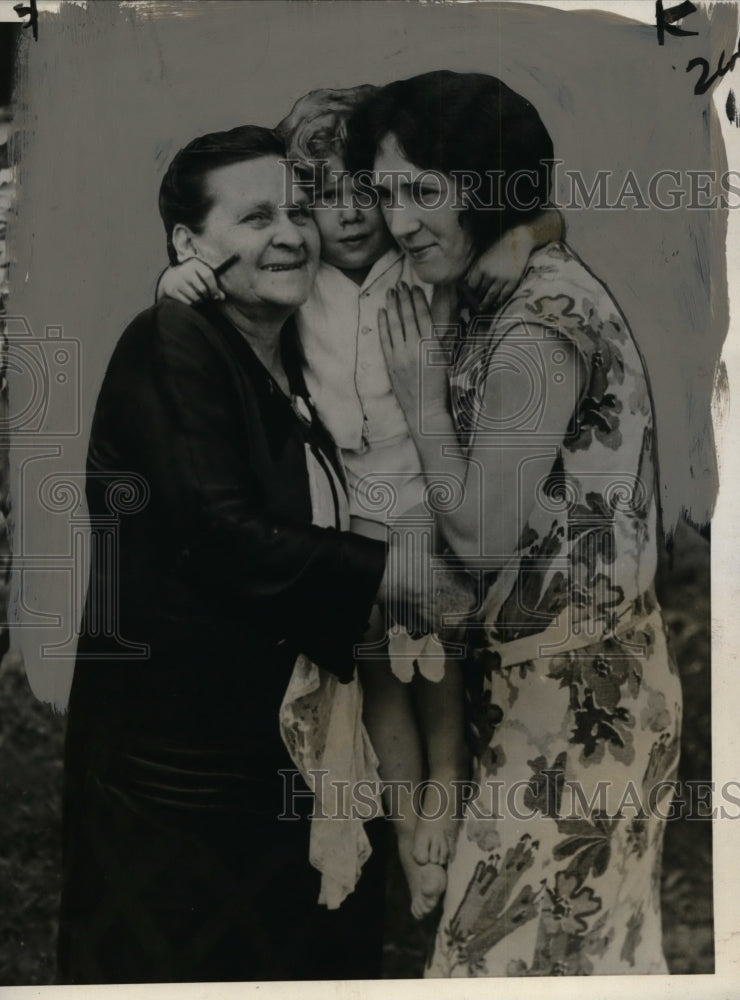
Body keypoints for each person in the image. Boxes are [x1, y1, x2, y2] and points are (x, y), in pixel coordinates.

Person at [157, 84, 563, 919]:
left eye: (365, 194)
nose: (347, 216)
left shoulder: (419, 262)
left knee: (442, 677)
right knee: (380, 681)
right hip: (347, 506)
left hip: (424, 489)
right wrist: (180, 276)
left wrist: (524, 236)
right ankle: (415, 840)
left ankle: (444, 817)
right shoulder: (295, 282)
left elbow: (538, 223)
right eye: (322, 199)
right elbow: (220, 308)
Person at [56, 124, 434, 983]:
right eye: (257, 216)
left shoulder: (284, 358)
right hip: (179, 788)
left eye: (298, 210)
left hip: (260, 768)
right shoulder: (169, 342)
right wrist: (390, 577)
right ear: (190, 244)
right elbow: (211, 529)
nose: (293, 233)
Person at [346, 70, 683, 976]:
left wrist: (420, 395)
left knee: (502, 967)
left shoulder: (540, 323)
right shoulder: (505, 274)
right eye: (386, 194)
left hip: (579, 703)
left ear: (489, 184)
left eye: (424, 190)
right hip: (532, 686)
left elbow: (486, 537)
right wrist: (530, 226)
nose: (399, 220)